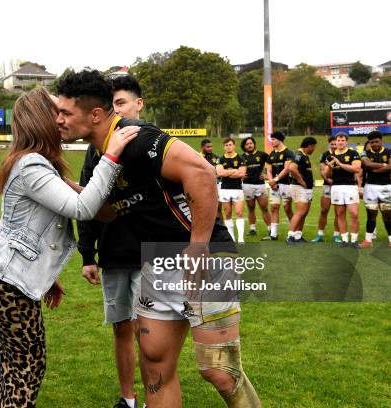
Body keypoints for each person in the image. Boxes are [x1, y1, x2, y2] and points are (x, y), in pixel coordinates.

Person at [57, 71, 260, 408]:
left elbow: (201, 173)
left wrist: (198, 247)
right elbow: (109, 212)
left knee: (220, 371)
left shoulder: (137, 139)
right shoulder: (100, 154)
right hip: (157, 262)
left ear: (95, 114)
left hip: (205, 259)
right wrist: (75, 192)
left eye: (65, 113)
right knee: (154, 367)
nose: (58, 119)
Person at [0, 88, 138, 407]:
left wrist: (46, 276)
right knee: (26, 370)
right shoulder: (32, 165)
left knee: (14, 368)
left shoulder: (35, 163)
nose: (63, 119)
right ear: (41, 120)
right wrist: (111, 154)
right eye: (57, 113)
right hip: (6, 283)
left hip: (3, 279)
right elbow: (82, 207)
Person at [77, 74, 144, 408]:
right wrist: (87, 254)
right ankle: (128, 398)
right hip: (115, 253)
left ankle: (157, 398)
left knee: (151, 331)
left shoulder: (151, 145)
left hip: (153, 254)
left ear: (138, 104)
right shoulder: (95, 150)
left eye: (121, 103)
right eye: (112, 105)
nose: (117, 112)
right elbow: (87, 202)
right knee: (121, 328)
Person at [323, 132, 361, 245]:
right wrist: (329, 167)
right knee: (340, 214)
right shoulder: (330, 156)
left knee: (354, 213)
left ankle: (354, 240)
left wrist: (340, 163)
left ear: (346, 142)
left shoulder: (353, 153)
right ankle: (344, 240)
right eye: (338, 140)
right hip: (336, 187)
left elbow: (356, 169)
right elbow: (326, 174)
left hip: (350, 186)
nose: (340, 142)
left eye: (342, 140)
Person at [359, 131, 391, 248]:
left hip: (386, 187)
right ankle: (368, 241)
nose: (374, 144)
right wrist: (384, 165)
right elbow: (367, 164)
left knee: (388, 215)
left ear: (381, 141)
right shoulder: (365, 153)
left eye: (376, 141)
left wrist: (376, 168)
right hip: (370, 187)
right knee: (371, 215)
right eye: (371, 142)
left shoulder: (389, 152)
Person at [216, 138, 247, 243]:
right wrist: (234, 171)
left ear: (234, 146)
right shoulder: (220, 159)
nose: (228, 147)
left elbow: (241, 174)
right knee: (228, 214)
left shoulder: (240, 158)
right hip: (224, 189)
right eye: (226, 145)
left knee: (239, 212)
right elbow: (219, 173)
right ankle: (232, 238)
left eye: (230, 144)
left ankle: (241, 239)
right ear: (224, 147)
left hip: (237, 189)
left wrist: (228, 172)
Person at [264, 132, 294, 240]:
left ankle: (293, 233)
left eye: (273, 139)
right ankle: (273, 234)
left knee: (287, 208)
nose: (271, 141)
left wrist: (275, 180)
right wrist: (272, 181)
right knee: (274, 207)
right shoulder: (272, 154)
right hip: (274, 185)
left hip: (286, 184)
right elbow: (268, 169)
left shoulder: (288, 153)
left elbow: (287, 169)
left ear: (279, 140)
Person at [287, 137, 317, 243]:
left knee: (304, 213)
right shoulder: (298, 154)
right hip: (299, 187)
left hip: (306, 188)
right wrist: (301, 180)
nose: (314, 149)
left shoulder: (305, 156)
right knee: (300, 212)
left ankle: (298, 236)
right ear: (309, 146)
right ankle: (290, 236)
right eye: (314, 147)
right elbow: (292, 168)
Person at [240, 137, 271, 237]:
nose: (249, 145)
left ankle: (270, 229)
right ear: (244, 146)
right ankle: (252, 229)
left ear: (254, 144)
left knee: (264, 208)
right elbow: (236, 169)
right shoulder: (241, 157)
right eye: (247, 144)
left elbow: (272, 164)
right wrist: (240, 175)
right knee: (250, 208)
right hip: (247, 185)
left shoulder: (262, 154)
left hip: (260, 185)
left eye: (251, 143)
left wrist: (266, 174)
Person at [312, 136, 341, 243]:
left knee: (339, 212)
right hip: (328, 185)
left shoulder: (343, 154)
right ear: (329, 144)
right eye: (332, 144)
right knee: (324, 211)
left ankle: (336, 235)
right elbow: (322, 170)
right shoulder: (325, 155)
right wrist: (328, 180)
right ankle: (320, 234)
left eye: (335, 144)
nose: (334, 146)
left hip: (340, 186)